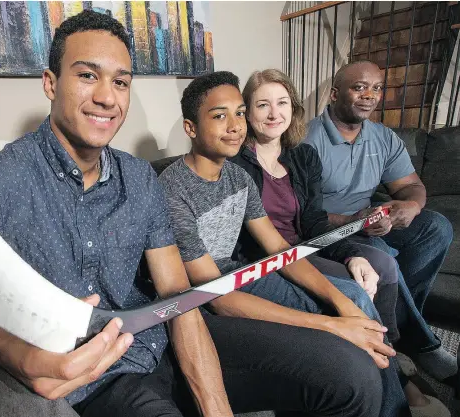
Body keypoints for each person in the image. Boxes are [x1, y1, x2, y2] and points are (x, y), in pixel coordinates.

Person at [0, 11, 234, 417]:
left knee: (312, 367)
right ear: (50, 84)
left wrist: (216, 407)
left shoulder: (139, 177)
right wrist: (3, 347)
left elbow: (176, 297)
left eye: (120, 82)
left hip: (160, 347)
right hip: (99, 385)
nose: (108, 97)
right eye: (88, 75)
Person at [158, 70, 407, 417]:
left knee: (352, 296)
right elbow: (216, 296)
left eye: (239, 113)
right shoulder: (173, 189)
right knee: (339, 329)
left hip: (242, 273)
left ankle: (392, 407)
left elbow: (281, 251)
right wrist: (335, 324)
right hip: (204, 300)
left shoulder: (237, 176)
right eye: (219, 116)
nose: (235, 125)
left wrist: (344, 304)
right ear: (191, 128)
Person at [231, 68, 449, 416]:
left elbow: (314, 223)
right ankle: (398, 391)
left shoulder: (301, 157)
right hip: (270, 260)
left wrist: (351, 254)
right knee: (356, 292)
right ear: (247, 112)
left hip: (306, 247)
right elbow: (256, 244)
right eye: (262, 105)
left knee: (378, 265)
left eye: (282, 103)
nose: (274, 114)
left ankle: (393, 351)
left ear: (293, 108)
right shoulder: (236, 164)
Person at [304, 60, 456, 384]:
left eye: (376, 88)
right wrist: (352, 220)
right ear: (334, 94)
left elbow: (411, 186)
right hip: (330, 230)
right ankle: (420, 344)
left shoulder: (382, 137)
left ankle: (400, 323)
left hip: (369, 218)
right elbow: (301, 212)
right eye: (359, 87)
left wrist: (409, 207)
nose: (369, 95)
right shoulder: (308, 140)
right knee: (379, 255)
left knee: (436, 227)